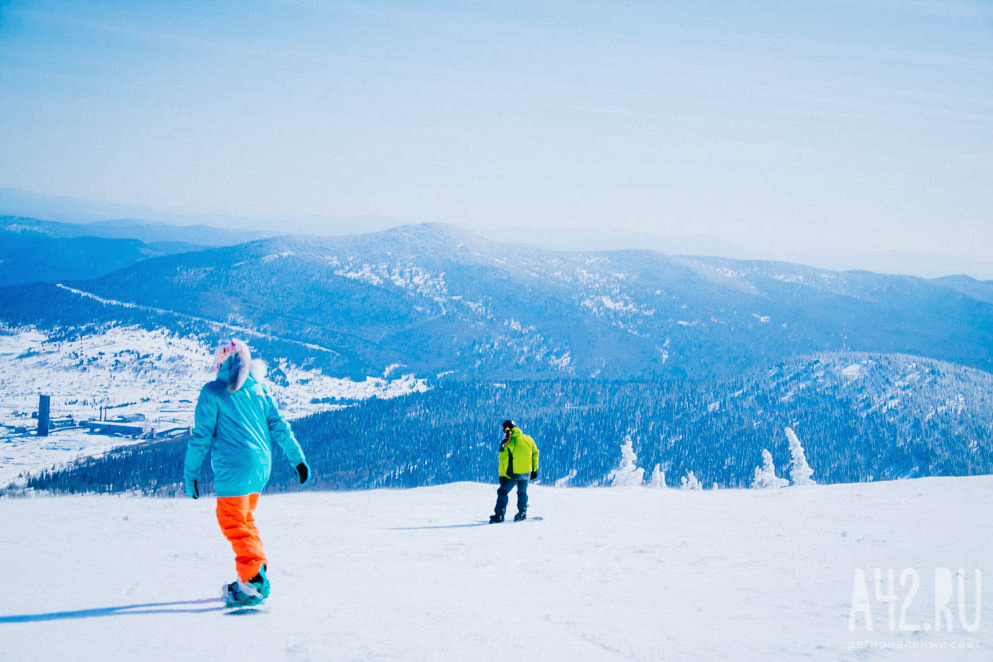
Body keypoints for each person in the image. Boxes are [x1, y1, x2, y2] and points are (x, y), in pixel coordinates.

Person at [183, 339, 311, 608]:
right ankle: (255, 574)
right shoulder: (261, 390)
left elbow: (200, 437)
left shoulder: (213, 392)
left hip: (235, 468)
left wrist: (191, 473)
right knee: (245, 520)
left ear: (220, 363)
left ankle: (252, 581)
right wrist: (297, 459)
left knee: (233, 521)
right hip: (261, 467)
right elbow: (280, 428)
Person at [489, 420, 539, 523]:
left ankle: (499, 515)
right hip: (527, 473)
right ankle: (522, 513)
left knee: (502, 492)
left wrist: (502, 475)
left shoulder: (507, 442)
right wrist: (534, 469)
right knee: (522, 493)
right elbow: (535, 453)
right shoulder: (528, 439)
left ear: (506, 429)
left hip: (514, 473)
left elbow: (503, 460)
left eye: (503, 429)